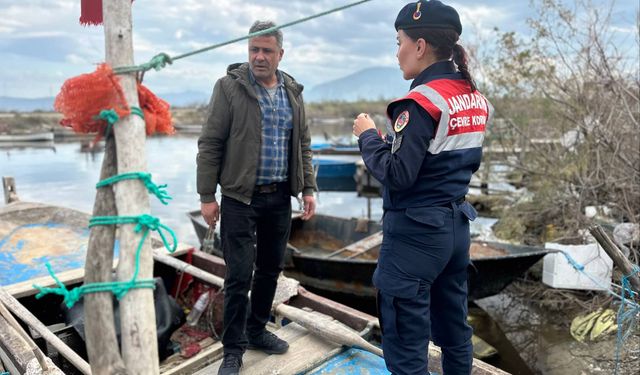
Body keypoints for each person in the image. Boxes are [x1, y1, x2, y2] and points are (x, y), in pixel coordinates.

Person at [352, 1, 493, 374]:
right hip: (455, 230)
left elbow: (399, 175)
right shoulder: (475, 98)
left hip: (415, 236)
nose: (397, 52)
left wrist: (368, 137)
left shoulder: (419, 103)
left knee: (406, 344)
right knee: (454, 331)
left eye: (399, 41)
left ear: (419, 45)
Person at [197, 20, 316, 375]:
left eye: (266, 50)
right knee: (238, 275)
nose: (259, 57)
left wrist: (308, 188)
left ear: (281, 53)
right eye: (254, 50)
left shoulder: (293, 93)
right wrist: (207, 195)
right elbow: (210, 143)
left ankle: (257, 330)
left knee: (270, 270)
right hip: (238, 198)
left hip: (279, 197)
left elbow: (304, 145)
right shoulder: (228, 88)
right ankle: (232, 350)